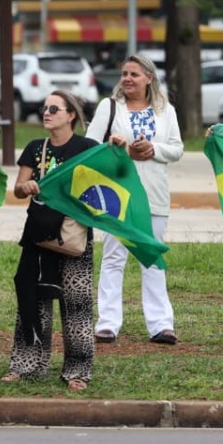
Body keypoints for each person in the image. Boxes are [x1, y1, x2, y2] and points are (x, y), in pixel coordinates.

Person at [4, 90, 98, 391]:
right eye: (45, 108)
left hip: (73, 235)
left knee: (77, 305)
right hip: (39, 234)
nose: (47, 113)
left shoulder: (87, 148)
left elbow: (112, 177)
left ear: (71, 115)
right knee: (33, 301)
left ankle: (78, 371)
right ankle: (25, 365)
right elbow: (18, 189)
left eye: (54, 108)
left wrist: (119, 148)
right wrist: (25, 186)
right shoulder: (35, 148)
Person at [87, 53, 183, 345]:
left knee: (151, 258)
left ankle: (161, 325)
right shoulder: (110, 107)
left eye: (134, 74)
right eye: (125, 73)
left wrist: (153, 149)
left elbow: (177, 148)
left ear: (149, 78)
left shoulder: (165, 110)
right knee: (115, 257)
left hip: (154, 194)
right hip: (119, 195)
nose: (127, 79)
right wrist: (119, 148)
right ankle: (107, 323)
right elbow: (90, 144)